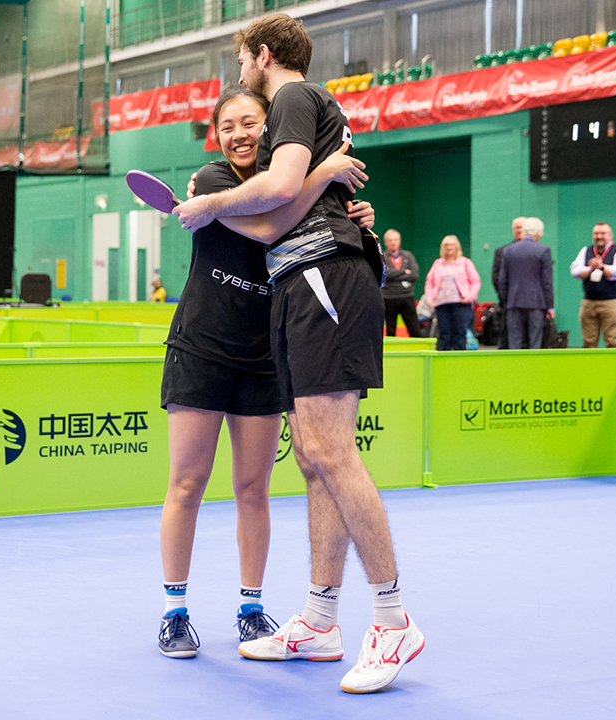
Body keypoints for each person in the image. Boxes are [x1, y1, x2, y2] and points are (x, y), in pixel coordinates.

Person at [174, 13, 423, 694]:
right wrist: (234, 207)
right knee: (312, 456)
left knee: (333, 453)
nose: (241, 76)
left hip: (323, 277)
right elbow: (280, 216)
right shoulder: (309, 112)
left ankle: (393, 619)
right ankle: (319, 618)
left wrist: (210, 204)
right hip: (302, 275)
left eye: (242, 61)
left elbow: (281, 191)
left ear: (262, 54)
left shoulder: (291, 96)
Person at [158, 86, 374, 659]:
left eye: (249, 122)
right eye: (227, 126)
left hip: (262, 354)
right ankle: (174, 610)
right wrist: (325, 172)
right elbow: (269, 223)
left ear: (271, 126)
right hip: (201, 347)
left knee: (254, 489)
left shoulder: (288, 180)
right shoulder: (213, 183)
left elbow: (295, 212)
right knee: (187, 484)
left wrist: (349, 213)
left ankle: (251, 607)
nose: (238, 135)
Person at [569, 222, 616, 348]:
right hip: (589, 302)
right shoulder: (586, 250)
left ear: (610, 235)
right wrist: (590, 269)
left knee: (612, 341)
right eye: (596, 233)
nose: (599, 236)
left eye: (603, 233)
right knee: (588, 342)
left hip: (612, 302)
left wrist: (602, 267)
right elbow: (575, 271)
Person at [497, 217, 554, 349]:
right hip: (536, 303)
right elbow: (547, 282)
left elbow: (502, 280)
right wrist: (549, 306)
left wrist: (507, 301)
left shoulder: (508, 250)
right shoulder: (543, 250)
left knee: (515, 343)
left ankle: (516, 368)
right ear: (538, 232)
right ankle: (533, 368)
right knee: (535, 343)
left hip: (513, 302)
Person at [424, 235, 481, 351]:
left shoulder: (465, 262)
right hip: (441, 304)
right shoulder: (438, 263)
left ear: (457, 247)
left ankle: (459, 362)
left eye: (452, 245)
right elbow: (429, 281)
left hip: (460, 304)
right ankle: (444, 362)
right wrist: (429, 298)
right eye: (446, 245)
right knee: (444, 334)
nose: (449, 247)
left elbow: (475, 281)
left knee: (459, 333)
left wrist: (470, 297)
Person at [492, 217, 525, 349]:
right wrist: (505, 298)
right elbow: (496, 277)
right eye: (517, 227)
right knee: (507, 340)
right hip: (508, 303)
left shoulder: (537, 251)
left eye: (522, 227)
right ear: (513, 230)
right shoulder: (502, 251)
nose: (519, 230)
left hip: (530, 304)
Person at [381, 228, 420, 337]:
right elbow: (384, 275)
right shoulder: (382, 257)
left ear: (399, 241)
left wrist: (393, 274)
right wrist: (403, 271)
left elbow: (414, 274)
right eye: (390, 240)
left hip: (407, 296)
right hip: (388, 298)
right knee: (390, 330)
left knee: (414, 328)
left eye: (395, 240)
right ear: (386, 242)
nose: (393, 242)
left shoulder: (408, 256)